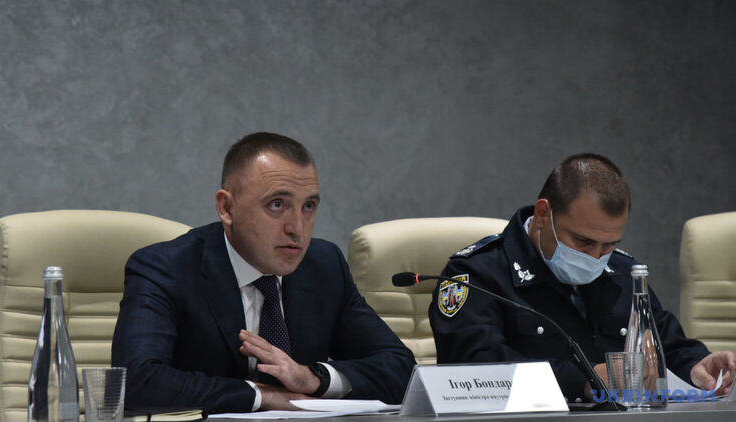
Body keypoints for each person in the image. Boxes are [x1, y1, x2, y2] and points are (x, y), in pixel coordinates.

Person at [112, 132, 415, 414]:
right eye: (277, 204)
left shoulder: (323, 266)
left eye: (308, 206)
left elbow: (401, 369)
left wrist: (313, 378)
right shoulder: (166, 269)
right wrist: (261, 395)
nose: (297, 228)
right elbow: (135, 382)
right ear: (226, 208)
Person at [428, 153, 735, 403]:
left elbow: (665, 343)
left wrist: (697, 364)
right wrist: (582, 381)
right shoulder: (477, 274)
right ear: (543, 214)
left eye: (609, 245)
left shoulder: (621, 272)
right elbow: (470, 371)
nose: (595, 257)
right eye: (583, 241)